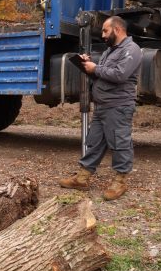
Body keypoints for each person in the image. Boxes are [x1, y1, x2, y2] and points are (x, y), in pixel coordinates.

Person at [59, 16, 141, 200]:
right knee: (94, 141)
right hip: (103, 105)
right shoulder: (110, 51)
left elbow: (120, 75)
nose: (103, 35)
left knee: (120, 143)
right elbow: (103, 75)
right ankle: (82, 178)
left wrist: (95, 68)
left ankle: (120, 182)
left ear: (117, 30)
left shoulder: (131, 49)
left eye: (105, 31)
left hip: (118, 106)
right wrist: (86, 65)